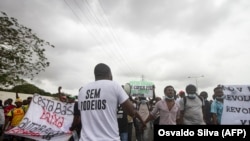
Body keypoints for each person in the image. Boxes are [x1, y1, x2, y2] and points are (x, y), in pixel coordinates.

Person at [77, 63, 145, 141]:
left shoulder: (83, 91)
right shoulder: (114, 86)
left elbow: (81, 116)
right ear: (110, 75)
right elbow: (132, 111)